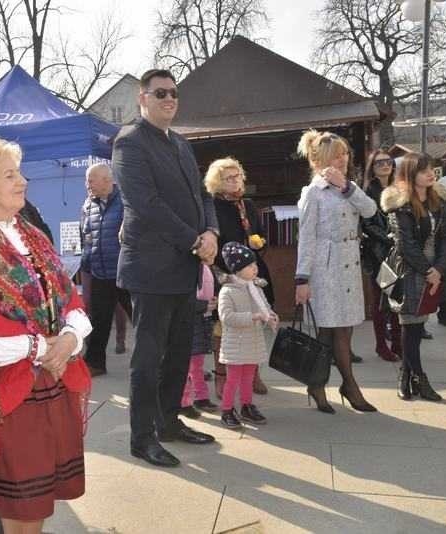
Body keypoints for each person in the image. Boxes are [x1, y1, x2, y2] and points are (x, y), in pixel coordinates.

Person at [0, 136, 92, 534]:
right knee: (19, 505)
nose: (22, 181)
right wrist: (40, 346)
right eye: (9, 174)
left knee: (39, 504)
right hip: (11, 393)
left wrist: (67, 340)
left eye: (20, 172)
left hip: (52, 379)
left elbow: (70, 300)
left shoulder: (33, 237)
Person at [112, 68, 218, 469]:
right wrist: (196, 240)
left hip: (184, 266)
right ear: (142, 98)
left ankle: (169, 422)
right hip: (151, 269)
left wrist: (211, 231)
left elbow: (201, 193)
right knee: (149, 357)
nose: (169, 99)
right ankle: (142, 437)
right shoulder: (130, 142)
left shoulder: (181, 143)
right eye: (160, 93)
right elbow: (146, 204)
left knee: (177, 354)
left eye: (174, 93)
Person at [295, 130, 378, 414]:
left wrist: (347, 187)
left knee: (345, 327)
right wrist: (302, 279)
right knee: (327, 331)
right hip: (324, 268)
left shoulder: (349, 186)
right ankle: (344, 385)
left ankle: (325, 385)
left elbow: (370, 211)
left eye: (344, 153)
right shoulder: (312, 193)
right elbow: (306, 237)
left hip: (349, 264)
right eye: (336, 155)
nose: (343, 159)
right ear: (319, 161)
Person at [381, 152, 446, 401]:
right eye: (424, 170)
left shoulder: (438, 201)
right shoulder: (401, 204)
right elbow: (406, 244)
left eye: (431, 169)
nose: (430, 173)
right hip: (409, 273)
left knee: (417, 326)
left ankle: (405, 375)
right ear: (411, 175)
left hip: (434, 272)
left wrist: (439, 269)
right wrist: (428, 270)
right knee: (410, 326)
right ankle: (419, 379)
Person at [205, 157, 272, 397]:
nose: (235, 181)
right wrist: (227, 274)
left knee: (253, 327)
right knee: (222, 331)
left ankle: (252, 374)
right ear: (216, 181)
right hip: (223, 277)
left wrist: (258, 243)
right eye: (228, 178)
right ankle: (222, 376)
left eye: (237, 176)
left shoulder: (248, 205)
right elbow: (211, 245)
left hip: (252, 276)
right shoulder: (211, 206)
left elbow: (261, 236)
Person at [217, 242, 277, 428]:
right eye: (250, 266)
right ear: (237, 270)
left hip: (253, 341)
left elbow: (264, 306)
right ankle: (227, 409)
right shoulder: (227, 291)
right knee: (233, 378)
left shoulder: (256, 288)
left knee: (249, 377)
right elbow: (227, 317)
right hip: (235, 344)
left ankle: (246, 405)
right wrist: (254, 317)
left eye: (255, 265)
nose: (255, 268)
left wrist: (271, 315)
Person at [80, 162, 132, 377]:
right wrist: (87, 264)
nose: (87, 185)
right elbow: (86, 237)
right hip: (100, 273)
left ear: (106, 180)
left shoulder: (126, 202)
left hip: (126, 273)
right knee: (98, 320)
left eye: (91, 180)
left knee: (142, 317)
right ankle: (94, 363)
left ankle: (161, 359)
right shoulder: (88, 205)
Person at [360, 150, 402, 361]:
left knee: (397, 298)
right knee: (380, 301)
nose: (385, 165)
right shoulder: (368, 190)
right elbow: (367, 224)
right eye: (379, 163)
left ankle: (397, 341)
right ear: (372, 168)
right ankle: (381, 345)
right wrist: (391, 237)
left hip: (400, 253)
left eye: (388, 161)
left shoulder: (400, 187)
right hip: (378, 254)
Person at [179, 262, 218, 419]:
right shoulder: (184, 267)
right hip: (188, 321)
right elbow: (181, 300)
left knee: (197, 364)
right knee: (188, 365)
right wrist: (203, 305)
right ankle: (186, 401)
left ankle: (200, 397)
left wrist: (214, 302)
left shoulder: (206, 267)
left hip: (203, 320)